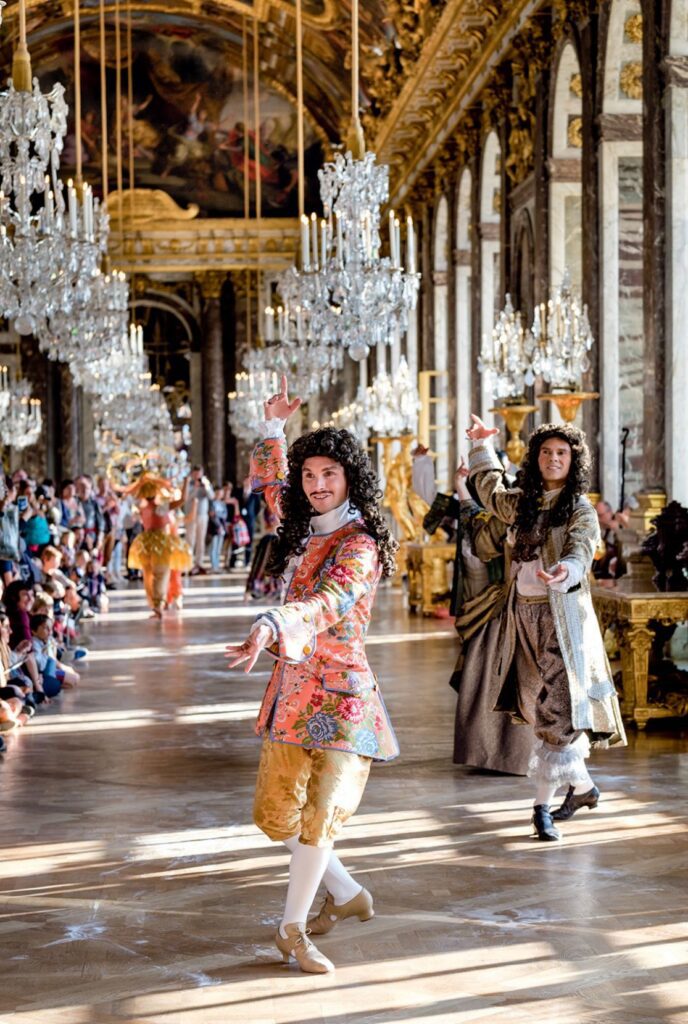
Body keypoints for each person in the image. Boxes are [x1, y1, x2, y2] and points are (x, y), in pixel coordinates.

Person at [225, 375, 399, 975]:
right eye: (310, 476)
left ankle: (291, 929)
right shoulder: (300, 526)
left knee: (323, 814)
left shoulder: (360, 545)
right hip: (292, 693)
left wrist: (274, 622)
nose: (318, 486)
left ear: (351, 478)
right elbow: (274, 483)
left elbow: (330, 600)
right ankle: (347, 893)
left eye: (330, 475)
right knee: (276, 816)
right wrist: (274, 427)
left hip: (344, 697)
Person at [466, 415, 626, 841]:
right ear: (535, 458)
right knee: (537, 702)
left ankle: (540, 809)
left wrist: (569, 570)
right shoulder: (523, 502)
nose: (554, 459)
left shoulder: (580, 509)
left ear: (574, 461)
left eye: (562, 453)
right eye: (546, 452)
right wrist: (482, 446)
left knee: (558, 712)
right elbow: (489, 492)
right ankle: (585, 789)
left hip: (563, 619)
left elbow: (582, 547)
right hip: (521, 616)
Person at [449, 459, 533, 775]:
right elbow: (482, 542)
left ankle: (528, 755)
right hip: (508, 604)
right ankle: (503, 753)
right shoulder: (509, 512)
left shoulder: (563, 510)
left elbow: (478, 542)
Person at [125, 473, 193, 618]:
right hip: (160, 544)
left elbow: (131, 493)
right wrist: (186, 481)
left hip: (146, 544)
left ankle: (157, 604)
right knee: (160, 574)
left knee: (149, 575)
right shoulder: (161, 507)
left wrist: (142, 481)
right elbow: (182, 500)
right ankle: (158, 604)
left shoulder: (141, 507)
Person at [185, 466, 214, 574]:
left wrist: (206, 486)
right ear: (192, 474)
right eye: (195, 473)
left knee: (201, 540)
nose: (197, 476)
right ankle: (188, 562)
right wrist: (196, 488)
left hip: (202, 515)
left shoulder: (206, 483)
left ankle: (199, 563)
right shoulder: (188, 483)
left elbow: (212, 496)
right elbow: (186, 498)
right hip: (190, 515)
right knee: (190, 539)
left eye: (199, 473)